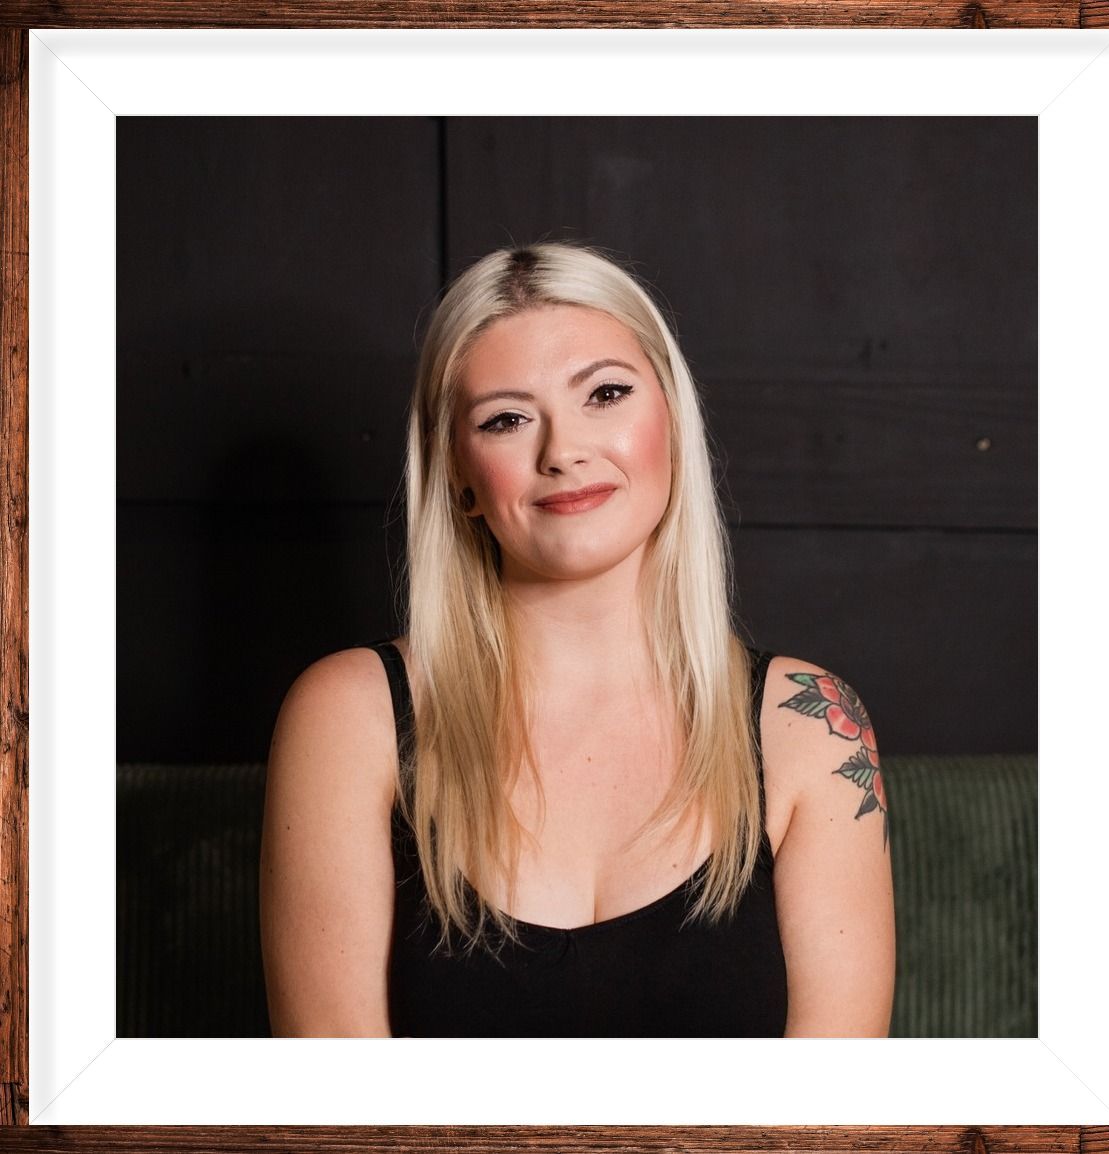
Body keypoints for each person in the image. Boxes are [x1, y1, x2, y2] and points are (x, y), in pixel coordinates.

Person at [259, 242, 895, 1037]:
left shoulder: (811, 725)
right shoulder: (348, 718)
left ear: (671, 417)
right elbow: (339, 1124)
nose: (562, 451)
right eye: (506, 419)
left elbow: (832, 1126)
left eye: (606, 394)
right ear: (458, 474)